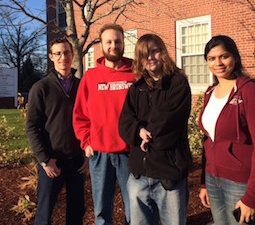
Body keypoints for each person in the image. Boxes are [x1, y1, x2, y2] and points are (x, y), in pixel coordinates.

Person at [118, 34, 192, 225]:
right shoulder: (137, 88)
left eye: (154, 51)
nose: (150, 57)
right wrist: (138, 131)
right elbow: (125, 121)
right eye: (144, 54)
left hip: (169, 174)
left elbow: (169, 119)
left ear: (163, 53)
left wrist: (147, 134)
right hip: (139, 176)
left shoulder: (177, 83)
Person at [198, 35, 255, 225]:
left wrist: (252, 196)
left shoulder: (249, 91)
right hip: (213, 179)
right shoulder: (209, 93)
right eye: (212, 58)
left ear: (235, 58)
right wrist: (205, 183)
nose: (218, 63)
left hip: (240, 183)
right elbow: (208, 140)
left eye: (224, 56)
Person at [73, 23, 135, 225]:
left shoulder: (136, 73)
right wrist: (86, 142)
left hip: (131, 153)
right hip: (100, 155)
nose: (113, 45)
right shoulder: (91, 77)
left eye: (117, 41)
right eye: (109, 41)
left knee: (134, 209)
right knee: (101, 211)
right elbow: (80, 114)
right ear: (101, 45)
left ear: (123, 43)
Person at [26, 37, 88, 225]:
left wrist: (87, 154)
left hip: (78, 161)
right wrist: (45, 159)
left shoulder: (81, 87)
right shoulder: (41, 88)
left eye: (67, 52)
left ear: (73, 54)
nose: (63, 57)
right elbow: (32, 127)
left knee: (77, 212)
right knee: (44, 214)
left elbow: (90, 121)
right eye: (58, 53)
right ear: (51, 56)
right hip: (52, 162)